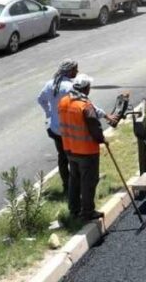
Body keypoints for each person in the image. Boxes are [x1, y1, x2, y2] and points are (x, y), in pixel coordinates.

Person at [58, 74, 109, 221]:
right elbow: (94, 126)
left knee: (74, 180)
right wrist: (102, 139)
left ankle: (74, 209)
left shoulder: (63, 102)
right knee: (89, 181)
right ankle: (88, 211)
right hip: (87, 151)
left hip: (69, 149)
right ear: (86, 88)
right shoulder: (84, 106)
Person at [37, 59, 78, 197]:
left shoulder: (50, 84)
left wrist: (49, 112)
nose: (77, 72)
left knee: (62, 157)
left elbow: (40, 99)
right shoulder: (70, 87)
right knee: (73, 157)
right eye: (75, 69)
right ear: (69, 71)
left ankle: (66, 185)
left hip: (55, 128)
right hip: (69, 129)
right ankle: (74, 186)